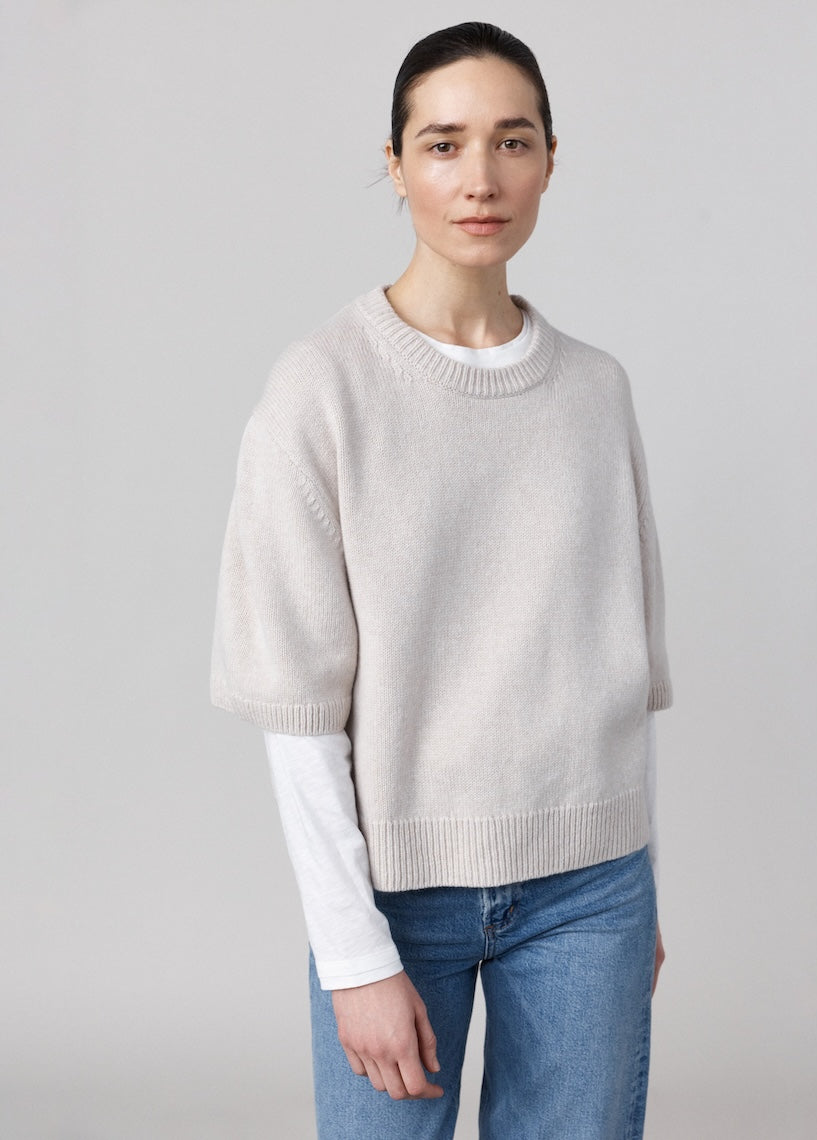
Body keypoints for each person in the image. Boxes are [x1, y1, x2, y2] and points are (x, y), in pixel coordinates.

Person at [211, 21, 673, 1140]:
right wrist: (351, 953)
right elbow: (297, 710)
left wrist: (640, 878)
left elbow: (616, 672)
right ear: (394, 163)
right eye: (443, 143)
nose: (480, 179)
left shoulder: (595, 393)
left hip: (594, 892)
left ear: (551, 161)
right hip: (395, 898)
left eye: (512, 142)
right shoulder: (321, 391)